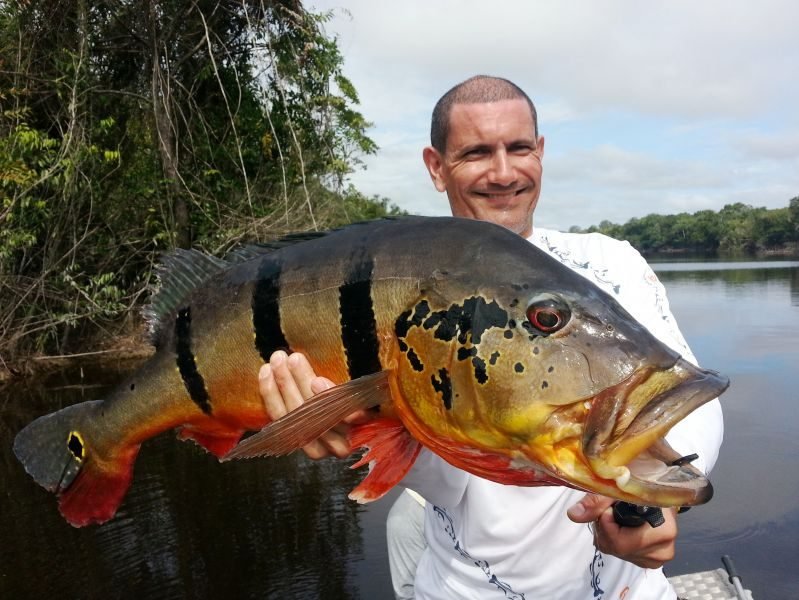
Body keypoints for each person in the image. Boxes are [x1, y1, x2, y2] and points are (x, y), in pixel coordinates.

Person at [257, 76, 723, 599]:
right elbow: (451, 481)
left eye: (519, 147)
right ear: (437, 167)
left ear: (540, 152)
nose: (503, 173)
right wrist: (331, 422)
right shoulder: (417, 282)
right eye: (477, 152)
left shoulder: (609, 262)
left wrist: (650, 500)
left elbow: (689, 399)